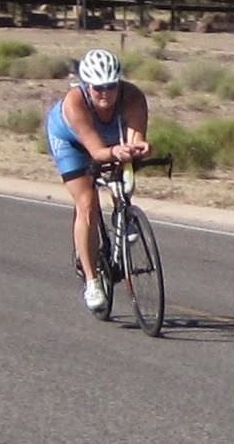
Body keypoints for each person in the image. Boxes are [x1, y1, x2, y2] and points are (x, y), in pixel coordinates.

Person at [46, 48, 151, 311]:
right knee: (87, 203)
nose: (105, 93)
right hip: (71, 142)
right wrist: (115, 152)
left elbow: (135, 138)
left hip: (108, 138)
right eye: (98, 88)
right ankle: (92, 282)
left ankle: (122, 214)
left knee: (124, 177)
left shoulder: (133, 97)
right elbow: (96, 152)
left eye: (111, 86)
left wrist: (139, 147)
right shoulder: (75, 102)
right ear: (86, 85)